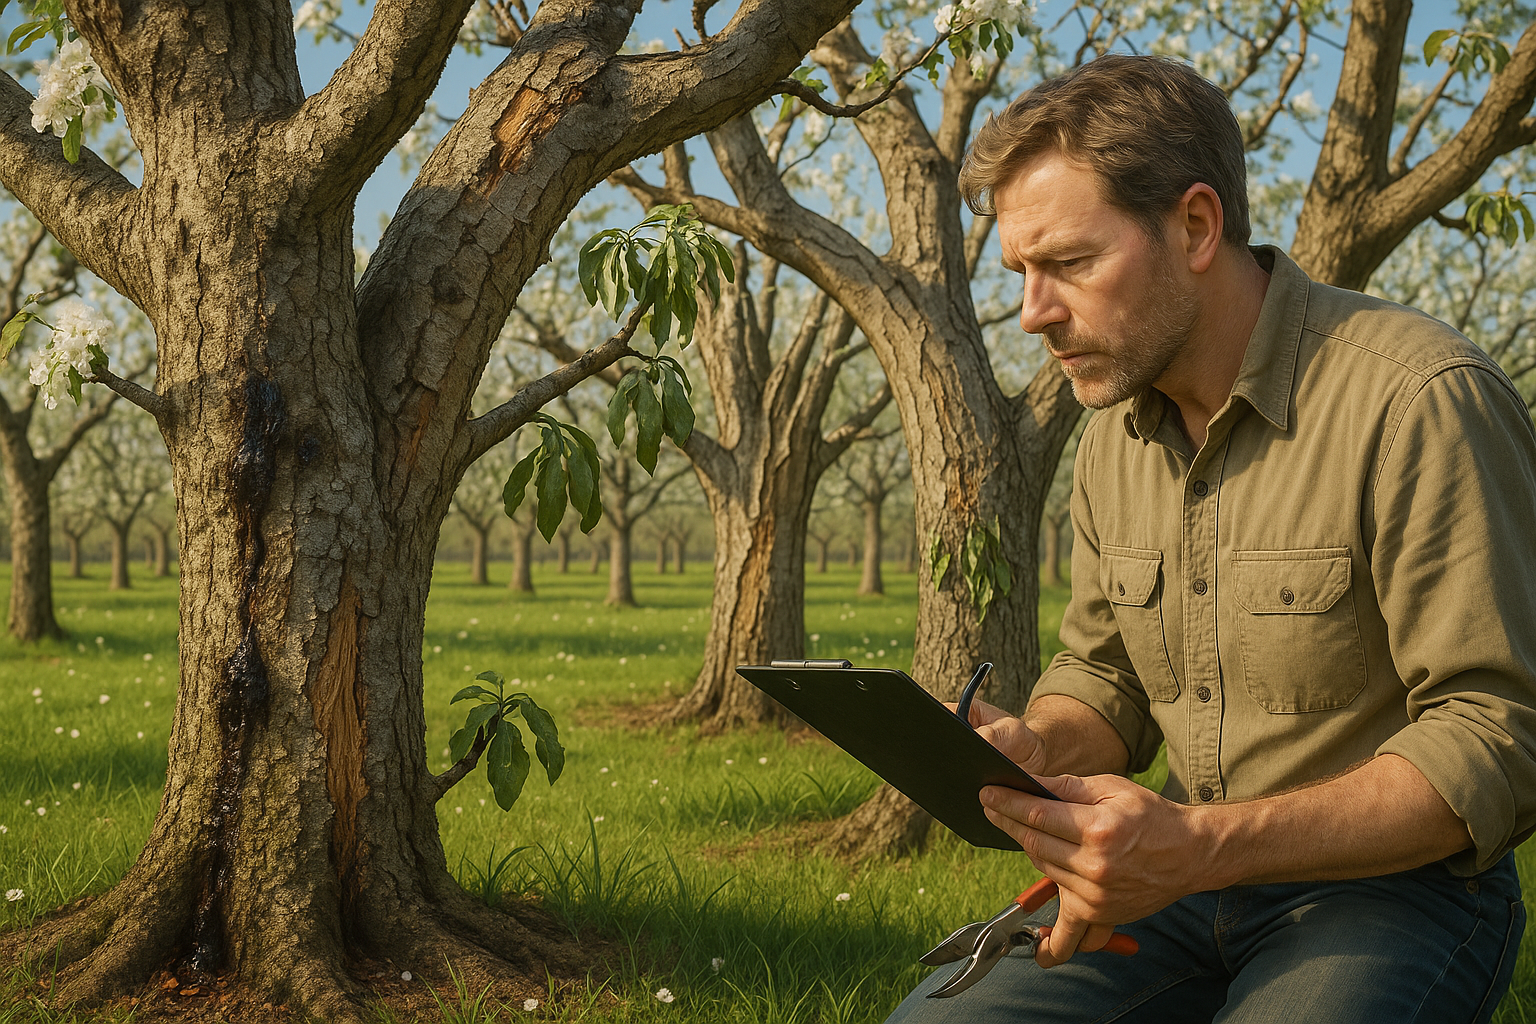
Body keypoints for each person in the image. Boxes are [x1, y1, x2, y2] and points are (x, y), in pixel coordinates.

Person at [885, 53, 1535, 1023]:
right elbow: (1106, 677)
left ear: (1196, 225)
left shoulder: (1418, 401)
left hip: (1399, 892)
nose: (1033, 314)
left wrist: (1199, 843)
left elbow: (1499, 739)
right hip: (1175, 886)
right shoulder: (1115, 440)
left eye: (1069, 262)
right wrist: (1034, 743)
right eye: (1022, 272)